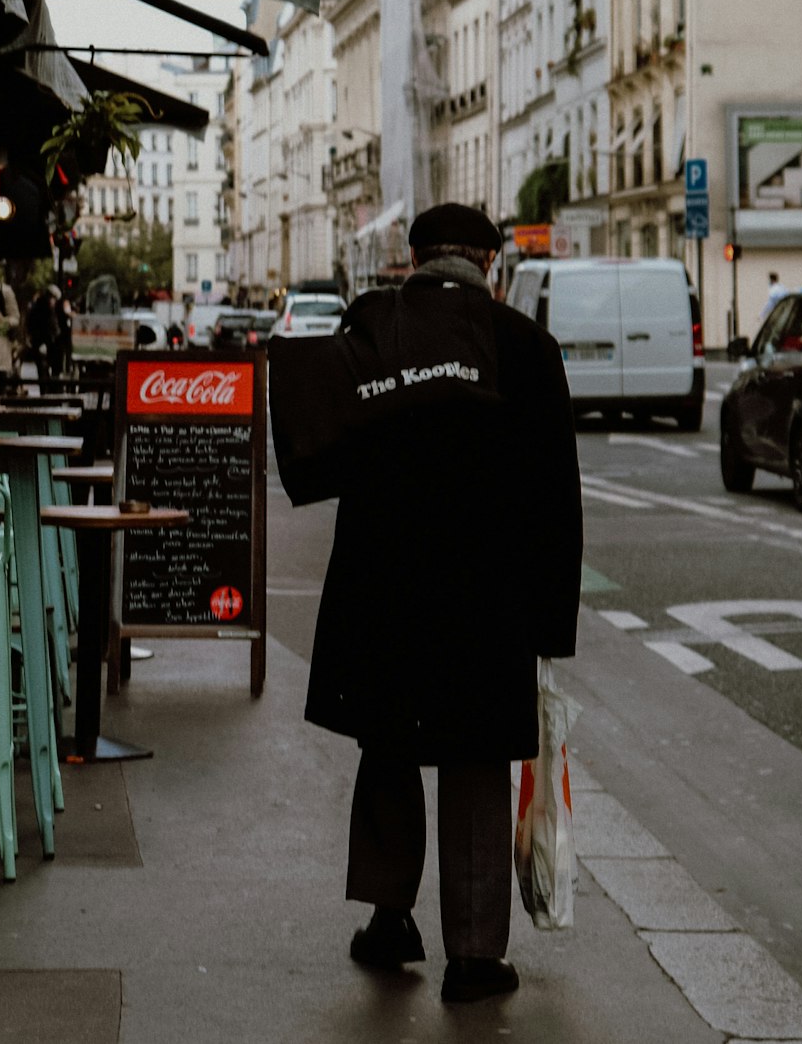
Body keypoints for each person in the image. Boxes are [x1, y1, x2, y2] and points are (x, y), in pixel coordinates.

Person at [288, 203, 583, 1005]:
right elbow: (558, 499)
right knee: (476, 758)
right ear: (490, 264)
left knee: (387, 744)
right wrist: (552, 624)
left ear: (410, 259)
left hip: (382, 587)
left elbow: (322, 443)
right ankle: (476, 955)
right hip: (487, 597)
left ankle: (391, 921)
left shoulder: (374, 328)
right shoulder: (524, 347)